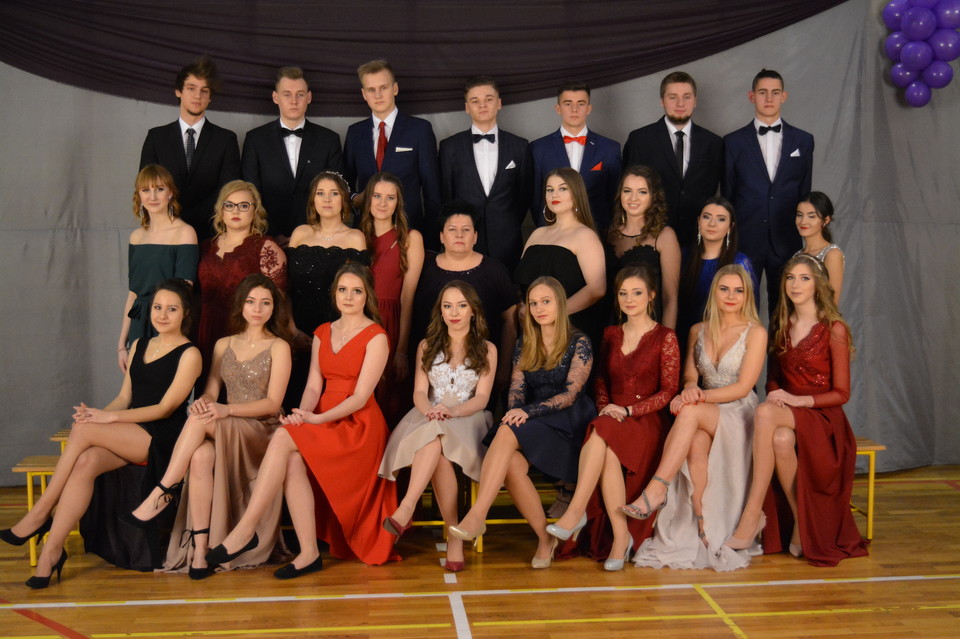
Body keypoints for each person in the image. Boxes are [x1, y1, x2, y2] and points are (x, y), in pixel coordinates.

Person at [1, 280, 201, 587]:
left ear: (185, 313)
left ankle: (40, 512)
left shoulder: (190, 354)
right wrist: (96, 415)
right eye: (157, 307)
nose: (162, 315)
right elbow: (124, 397)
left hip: (163, 438)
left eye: (171, 309)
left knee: (84, 430)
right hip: (132, 429)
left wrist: (107, 419)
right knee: (86, 461)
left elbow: (164, 409)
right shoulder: (139, 345)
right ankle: (52, 552)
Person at [207, 264, 399, 577]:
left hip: (358, 426)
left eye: (357, 291)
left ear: (368, 296)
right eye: (343, 290)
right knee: (292, 455)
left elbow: (361, 397)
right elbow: (312, 386)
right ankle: (309, 553)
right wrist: (302, 415)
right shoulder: (323, 332)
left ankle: (246, 529)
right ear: (334, 293)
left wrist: (317, 419)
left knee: (283, 436)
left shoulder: (377, 336)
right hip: (321, 414)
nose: (349, 297)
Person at [123, 274, 293, 579]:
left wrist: (225, 409)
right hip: (227, 424)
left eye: (265, 303)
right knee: (201, 454)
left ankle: (163, 492)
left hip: (262, 430)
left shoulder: (279, 346)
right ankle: (201, 551)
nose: (257, 309)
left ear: (274, 308)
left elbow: (272, 404)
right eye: (251, 301)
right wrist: (203, 402)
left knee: (201, 420)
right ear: (241, 305)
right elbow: (211, 390)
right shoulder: (223, 344)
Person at [728, 255, 867, 566]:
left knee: (764, 413)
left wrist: (798, 401)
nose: (795, 284)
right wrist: (778, 393)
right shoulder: (781, 323)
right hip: (789, 412)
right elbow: (773, 379)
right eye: (790, 278)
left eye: (804, 278)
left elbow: (842, 394)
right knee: (780, 439)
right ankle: (802, 523)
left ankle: (752, 514)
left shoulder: (834, 329)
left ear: (818, 284)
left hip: (824, 418)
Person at [449, 277, 595, 570]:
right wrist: (516, 412)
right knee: (512, 464)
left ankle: (478, 515)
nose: (539, 309)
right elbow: (516, 389)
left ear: (560, 303)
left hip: (568, 424)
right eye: (533, 303)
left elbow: (570, 394)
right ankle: (544, 539)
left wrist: (526, 414)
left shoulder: (579, 341)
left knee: (507, 429)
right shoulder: (525, 342)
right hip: (533, 421)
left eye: (546, 301)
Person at [629, 264, 766, 572]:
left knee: (688, 412)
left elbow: (743, 387)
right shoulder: (697, 330)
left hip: (739, 411)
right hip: (706, 410)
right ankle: (704, 525)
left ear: (747, 296)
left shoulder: (755, 332)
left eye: (739, 290)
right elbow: (690, 376)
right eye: (724, 289)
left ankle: (657, 488)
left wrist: (696, 397)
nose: (731, 296)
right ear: (714, 292)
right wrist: (690, 388)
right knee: (695, 444)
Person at [547, 266, 680, 570]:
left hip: (647, 420)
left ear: (651, 295)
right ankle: (621, 538)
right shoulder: (610, 334)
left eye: (637, 293)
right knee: (604, 440)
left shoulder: (665, 336)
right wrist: (608, 407)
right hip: (612, 416)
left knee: (601, 431)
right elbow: (600, 381)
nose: (629, 299)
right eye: (623, 293)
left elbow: (669, 391)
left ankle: (575, 513)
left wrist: (629, 411)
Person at [378, 281, 497, 571]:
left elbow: (482, 398)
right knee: (436, 444)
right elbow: (419, 392)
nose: (454, 312)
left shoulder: (487, 349)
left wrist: (452, 411)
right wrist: (430, 411)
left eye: (461, 305)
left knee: (436, 436)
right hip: (429, 413)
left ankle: (407, 508)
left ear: (473, 311)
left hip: (468, 416)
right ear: (440, 312)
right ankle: (453, 535)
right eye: (447, 306)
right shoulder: (426, 345)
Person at [722, 69, 814, 313]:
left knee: (785, 310)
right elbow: (728, 195)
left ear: (784, 96)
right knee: (742, 308)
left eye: (775, 92)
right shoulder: (732, 142)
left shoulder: (803, 140)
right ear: (752, 96)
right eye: (763, 92)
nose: (769, 98)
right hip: (746, 238)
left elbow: (804, 193)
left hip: (786, 238)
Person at [412, 201, 517, 390]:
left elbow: (510, 321)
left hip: (482, 372)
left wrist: (504, 368)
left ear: (475, 236)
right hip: (428, 371)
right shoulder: (423, 269)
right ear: (441, 236)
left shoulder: (495, 270)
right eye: (452, 229)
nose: (459, 235)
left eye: (466, 230)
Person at [286, 171, 369, 406]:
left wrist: (340, 336)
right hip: (298, 330)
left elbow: (358, 293)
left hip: (337, 333)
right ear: (313, 199)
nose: (327, 199)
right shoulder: (300, 233)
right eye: (320, 193)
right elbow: (286, 288)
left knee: (329, 400)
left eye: (334, 193)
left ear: (343, 199)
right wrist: (292, 330)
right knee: (295, 398)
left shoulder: (355, 238)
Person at [196, 180, 287, 390]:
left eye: (244, 205)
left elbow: (279, 302)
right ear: (221, 210)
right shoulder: (204, 247)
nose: (235, 211)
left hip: (246, 335)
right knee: (206, 394)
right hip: (206, 330)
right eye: (229, 205)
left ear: (255, 211)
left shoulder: (266, 247)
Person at [140, 56, 241, 241]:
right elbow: (146, 186)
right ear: (178, 91)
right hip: (165, 231)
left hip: (212, 234)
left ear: (210, 97)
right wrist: (171, 220)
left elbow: (228, 190)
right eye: (191, 88)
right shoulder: (156, 137)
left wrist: (186, 220)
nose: (197, 96)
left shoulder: (226, 139)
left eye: (204, 90)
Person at [241, 66, 344, 245]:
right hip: (267, 237)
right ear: (276, 97)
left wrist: (312, 234)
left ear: (309, 97)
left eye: (300, 94)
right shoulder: (255, 139)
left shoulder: (329, 140)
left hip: (318, 238)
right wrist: (273, 234)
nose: (294, 101)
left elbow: (337, 194)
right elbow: (251, 194)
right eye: (287, 94)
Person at [438, 76, 532, 272]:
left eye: (488, 99)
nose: (482, 105)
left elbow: (524, 195)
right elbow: (446, 197)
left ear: (499, 103)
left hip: (507, 242)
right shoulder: (449, 147)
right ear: (467, 107)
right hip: (464, 242)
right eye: (475, 101)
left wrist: (506, 222)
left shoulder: (520, 146)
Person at [622, 71, 723, 248]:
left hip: (698, 239)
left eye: (687, 97)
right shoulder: (640, 139)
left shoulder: (713, 143)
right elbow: (628, 190)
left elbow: (711, 190)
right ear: (662, 101)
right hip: (650, 236)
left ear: (695, 100)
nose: (680, 103)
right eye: (673, 97)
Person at [344, 59, 441, 238]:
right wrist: (356, 199)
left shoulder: (420, 129)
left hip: (409, 230)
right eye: (371, 90)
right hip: (364, 232)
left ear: (395, 88)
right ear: (364, 94)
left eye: (384, 87)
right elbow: (345, 183)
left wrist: (431, 239)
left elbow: (432, 191)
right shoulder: (354, 133)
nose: (378, 95)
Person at [358, 173, 425, 423]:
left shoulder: (410, 238)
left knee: (389, 400)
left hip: (391, 324)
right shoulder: (355, 237)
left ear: (398, 202)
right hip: (359, 323)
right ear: (368, 200)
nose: (383, 203)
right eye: (377, 196)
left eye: (390, 197)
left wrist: (402, 350)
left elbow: (408, 296)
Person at [119, 165, 198, 373]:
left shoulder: (185, 232)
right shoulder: (136, 237)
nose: (152, 196)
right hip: (138, 324)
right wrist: (121, 344)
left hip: (168, 323)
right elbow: (133, 294)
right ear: (139, 195)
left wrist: (167, 328)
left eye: (159, 189)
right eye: (146, 190)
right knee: (136, 387)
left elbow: (184, 291)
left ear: (170, 193)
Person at [514, 168, 605, 346]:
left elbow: (597, 289)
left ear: (576, 193)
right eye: (550, 189)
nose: (554, 194)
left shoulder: (585, 235)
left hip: (569, 330)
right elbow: (521, 284)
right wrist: (523, 307)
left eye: (563, 188)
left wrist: (555, 314)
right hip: (531, 331)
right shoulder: (537, 234)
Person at [530, 80, 621, 233]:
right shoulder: (538, 148)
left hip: (597, 230)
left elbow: (615, 196)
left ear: (589, 108)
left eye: (581, 103)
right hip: (552, 230)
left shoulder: (610, 148)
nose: (574, 109)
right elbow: (535, 198)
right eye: (568, 103)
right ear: (558, 108)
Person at [676, 197, 758, 354]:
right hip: (683, 336)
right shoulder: (683, 256)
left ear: (730, 226)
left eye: (721, 219)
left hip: (723, 344)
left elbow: (749, 314)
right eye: (707, 217)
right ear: (698, 221)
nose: (712, 224)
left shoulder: (740, 262)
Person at [606, 165, 681, 329]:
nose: (633, 198)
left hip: (650, 328)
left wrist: (666, 340)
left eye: (642, 192)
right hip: (609, 326)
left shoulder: (664, 236)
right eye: (627, 191)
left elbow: (670, 298)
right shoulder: (609, 233)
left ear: (653, 196)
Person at [794, 192, 844, 303]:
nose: (803, 221)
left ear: (826, 220)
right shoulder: (797, 255)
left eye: (811, 216)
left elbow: (832, 303)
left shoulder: (832, 254)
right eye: (799, 215)